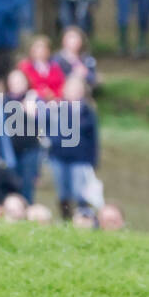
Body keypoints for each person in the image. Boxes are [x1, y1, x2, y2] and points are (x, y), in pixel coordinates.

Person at [42, 74, 99, 221]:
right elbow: (45, 129)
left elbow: (93, 138)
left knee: (79, 191)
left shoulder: (87, 111)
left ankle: (83, 220)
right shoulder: (55, 108)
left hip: (80, 158)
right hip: (58, 156)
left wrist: (93, 160)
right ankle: (66, 220)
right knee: (63, 192)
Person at [3, 69, 42, 204]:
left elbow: (43, 123)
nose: (16, 84)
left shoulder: (34, 99)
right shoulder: (2, 101)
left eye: (20, 81)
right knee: (11, 183)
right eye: (13, 81)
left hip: (30, 149)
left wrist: (31, 108)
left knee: (27, 184)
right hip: (9, 150)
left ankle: (27, 212)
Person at [19, 35, 65, 102]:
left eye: (44, 48)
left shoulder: (55, 68)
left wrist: (54, 95)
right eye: (37, 48)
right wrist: (41, 93)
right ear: (31, 50)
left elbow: (61, 86)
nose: (41, 51)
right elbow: (22, 86)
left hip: (54, 101)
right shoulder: (25, 67)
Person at [52, 26, 97, 92]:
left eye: (77, 38)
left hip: (85, 91)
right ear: (63, 40)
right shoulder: (56, 59)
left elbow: (94, 79)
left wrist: (85, 73)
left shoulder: (87, 58)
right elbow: (54, 80)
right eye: (70, 38)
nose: (74, 41)